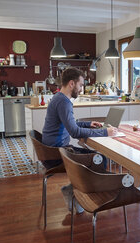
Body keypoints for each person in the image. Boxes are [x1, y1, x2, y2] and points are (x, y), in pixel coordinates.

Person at [42, 67, 117, 213]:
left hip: (52, 151)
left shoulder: (58, 98)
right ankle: (76, 192)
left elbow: (70, 122)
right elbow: (75, 132)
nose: (81, 89)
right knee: (100, 159)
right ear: (71, 84)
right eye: (80, 85)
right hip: (57, 154)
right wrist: (105, 132)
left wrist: (88, 123)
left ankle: (73, 190)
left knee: (96, 158)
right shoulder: (64, 102)